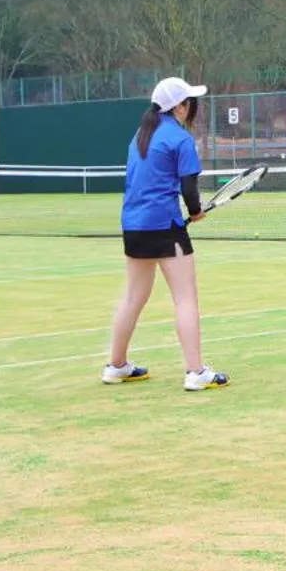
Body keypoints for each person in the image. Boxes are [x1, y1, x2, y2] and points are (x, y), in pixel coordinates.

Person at [102, 77, 228, 392]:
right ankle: (196, 371)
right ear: (179, 107)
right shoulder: (180, 139)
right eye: (189, 103)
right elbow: (189, 187)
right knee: (186, 299)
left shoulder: (139, 137)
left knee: (132, 297)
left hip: (133, 226)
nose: (192, 109)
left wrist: (191, 208)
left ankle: (116, 366)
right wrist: (195, 210)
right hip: (164, 226)